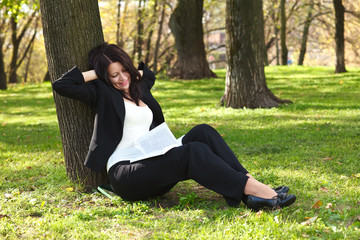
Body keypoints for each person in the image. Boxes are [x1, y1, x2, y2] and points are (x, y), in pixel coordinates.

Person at [52, 43, 296, 211]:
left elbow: (148, 74)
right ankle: (260, 192)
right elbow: (62, 85)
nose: (121, 78)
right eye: (113, 75)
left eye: (123, 70)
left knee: (203, 132)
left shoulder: (140, 89)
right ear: (105, 77)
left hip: (152, 159)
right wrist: (99, 72)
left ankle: (250, 188)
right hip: (126, 173)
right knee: (192, 152)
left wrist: (123, 66)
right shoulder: (102, 93)